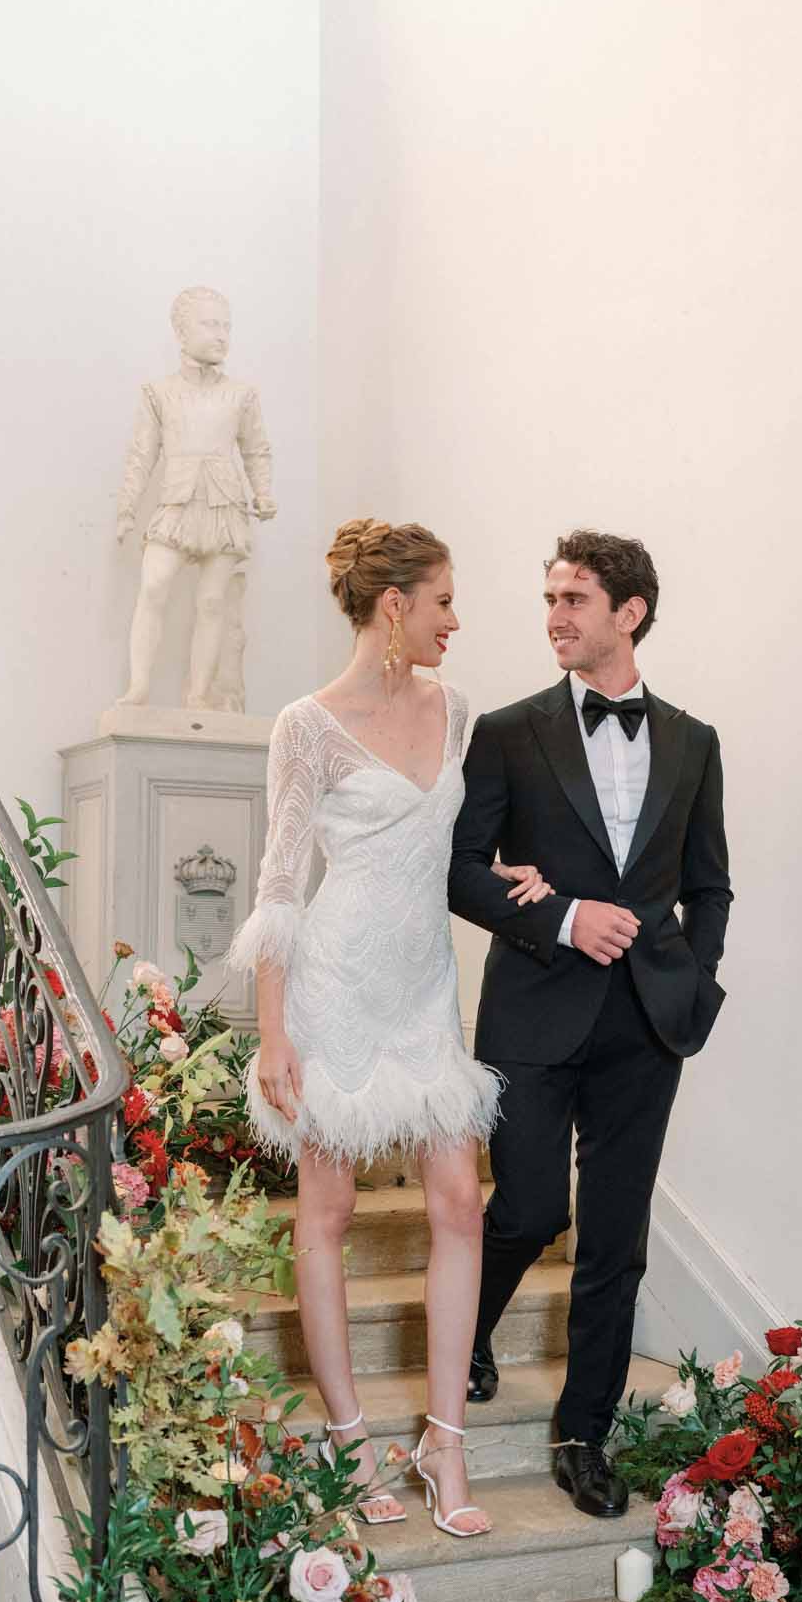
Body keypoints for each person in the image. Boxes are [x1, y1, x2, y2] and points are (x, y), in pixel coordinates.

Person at [229, 519, 553, 1536]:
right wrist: (274, 1033)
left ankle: (443, 1440)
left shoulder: (458, 715)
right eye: (446, 598)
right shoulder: (306, 724)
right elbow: (280, 886)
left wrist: (516, 876)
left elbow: (450, 850)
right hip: (332, 984)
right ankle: (350, 1437)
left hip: (420, 990)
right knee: (323, 1214)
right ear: (395, 605)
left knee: (459, 1203)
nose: (458, 619)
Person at [449, 530, 733, 1517]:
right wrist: (564, 915)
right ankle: (469, 1331)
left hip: (647, 1021)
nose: (556, 616)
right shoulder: (507, 729)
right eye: (551, 598)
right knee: (530, 1206)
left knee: (618, 1235)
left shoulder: (695, 742)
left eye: (575, 598)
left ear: (631, 611)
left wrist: (694, 975)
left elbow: (710, 883)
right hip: (532, 1006)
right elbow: (460, 870)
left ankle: (584, 1430)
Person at [116, 286, 275, 710]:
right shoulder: (159, 392)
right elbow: (142, 453)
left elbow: (256, 448)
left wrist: (263, 491)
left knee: (211, 602)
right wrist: (127, 508)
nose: (221, 335)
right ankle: (139, 687)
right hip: (177, 501)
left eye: (226, 326)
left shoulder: (241, 394)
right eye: (210, 324)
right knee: (154, 586)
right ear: (182, 332)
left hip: (224, 504)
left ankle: (200, 695)